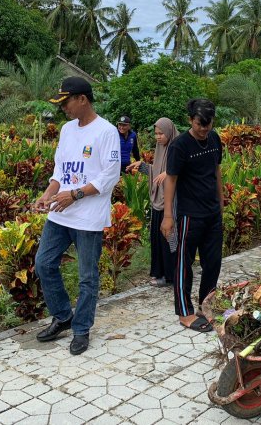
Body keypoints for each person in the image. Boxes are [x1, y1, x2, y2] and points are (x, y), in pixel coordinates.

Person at [34, 77, 121, 355]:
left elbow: (109, 176)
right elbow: (60, 172)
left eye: (66, 102)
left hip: (88, 217)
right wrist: (49, 193)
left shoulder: (106, 132)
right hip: (60, 214)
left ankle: (81, 329)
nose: (64, 109)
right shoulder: (67, 130)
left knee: (87, 277)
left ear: (82, 99)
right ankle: (63, 316)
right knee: (44, 263)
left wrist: (75, 195)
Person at [161, 99, 223, 333]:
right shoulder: (180, 146)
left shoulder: (215, 139)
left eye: (208, 123)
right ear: (190, 120)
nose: (204, 128)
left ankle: (206, 305)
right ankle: (184, 312)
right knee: (183, 264)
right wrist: (168, 216)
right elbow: (171, 180)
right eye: (199, 124)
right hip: (189, 216)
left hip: (212, 212)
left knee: (213, 262)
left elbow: (216, 171)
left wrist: (221, 200)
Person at [127, 118, 179, 288]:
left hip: (171, 202)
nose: (158, 137)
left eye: (161, 133)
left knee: (169, 238)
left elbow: (185, 169)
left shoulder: (176, 147)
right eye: (156, 133)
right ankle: (161, 273)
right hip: (158, 201)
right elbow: (156, 172)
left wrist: (170, 172)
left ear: (169, 132)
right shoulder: (160, 149)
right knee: (157, 239)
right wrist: (142, 165)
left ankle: (173, 275)